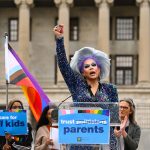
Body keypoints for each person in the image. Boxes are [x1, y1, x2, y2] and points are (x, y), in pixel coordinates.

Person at [53, 25, 119, 150]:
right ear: (83, 72)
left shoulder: (110, 89)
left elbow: (114, 118)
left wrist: (113, 143)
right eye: (87, 66)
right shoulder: (76, 85)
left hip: (103, 142)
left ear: (99, 69)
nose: (91, 68)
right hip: (80, 141)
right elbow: (63, 65)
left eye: (94, 65)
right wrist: (60, 40)